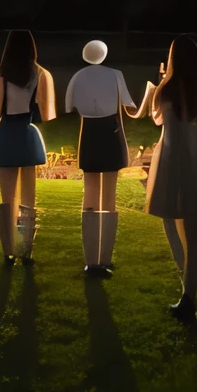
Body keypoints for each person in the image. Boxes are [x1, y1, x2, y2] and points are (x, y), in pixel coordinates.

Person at [143, 35, 197, 323]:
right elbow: (195, 118)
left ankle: (185, 283)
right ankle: (190, 291)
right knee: (191, 218)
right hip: (194, 149)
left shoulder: (167, 86)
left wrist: (161, 81)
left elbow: (157, 118)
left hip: (173, 150)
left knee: (169, 212)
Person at [65, 38, 140, 278]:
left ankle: (91, 260)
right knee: (109, 195)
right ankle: (104, 258)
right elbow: (130, 105)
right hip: (110, 132)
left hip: (88, 133)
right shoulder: (115, 74)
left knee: (90, 191)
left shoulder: (77, 77)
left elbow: (69, 106)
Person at [0, 29, 56, 264]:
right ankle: (26, 250)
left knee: (7, 199)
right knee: (28, 198)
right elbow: (46, 113)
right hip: (27, 134)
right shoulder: (39, 73)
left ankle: (8, 252)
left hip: (6, 134)